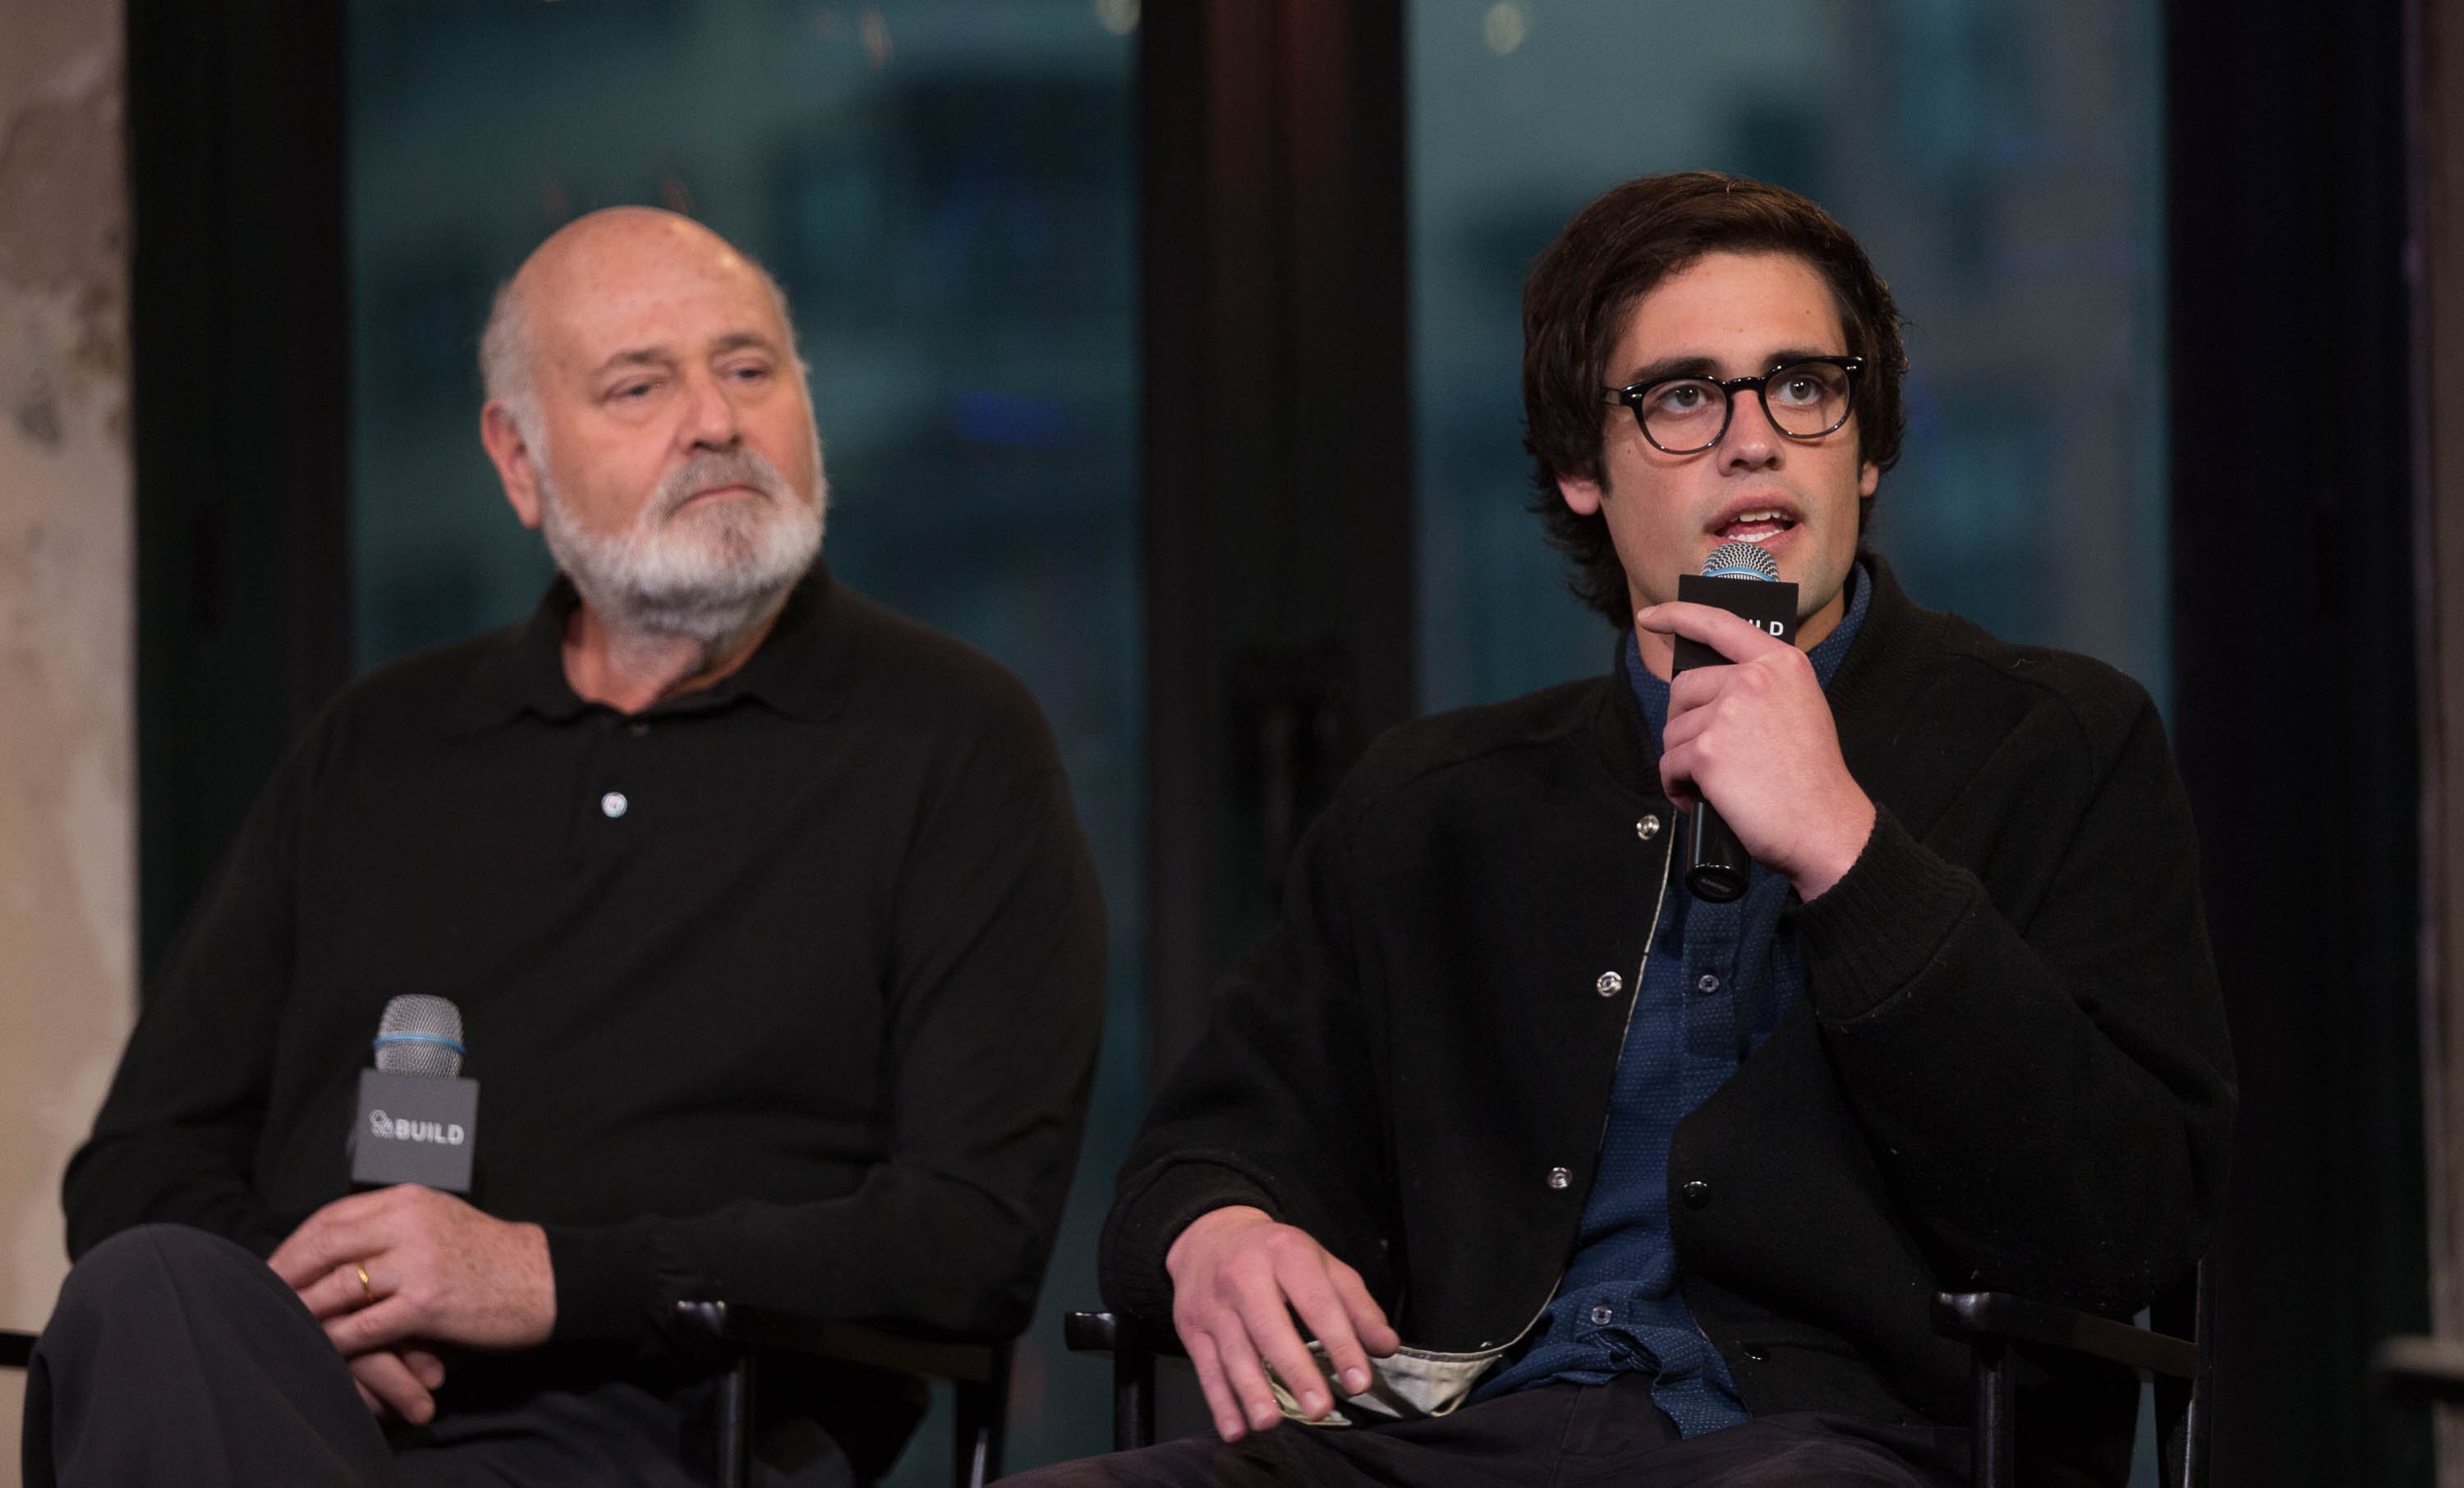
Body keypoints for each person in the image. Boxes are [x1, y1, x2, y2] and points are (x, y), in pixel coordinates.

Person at [1020, 172, 2235, 1488]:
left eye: (1803, 385)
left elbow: (2126, 1215)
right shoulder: (1436, 804)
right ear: (1579, 470)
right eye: (1683, 396)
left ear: (1867, 445)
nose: (1753, 438)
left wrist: (1846, 848)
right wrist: (1217, 1231)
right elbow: (1203, 1151)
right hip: (1465, 1441)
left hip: (1844, 1449)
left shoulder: (2054, 743)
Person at [25, 207, 1106, 1487]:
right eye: (639, 385)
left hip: (664, 1431)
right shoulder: (379, 747)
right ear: (518, 460)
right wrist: (314, 1310)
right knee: (147, 1289)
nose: (714, 421)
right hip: (315, 1415)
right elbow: (141, 1165)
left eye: (750, 370)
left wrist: (542, 1276)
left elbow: (971, 1236)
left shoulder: (952, 740)